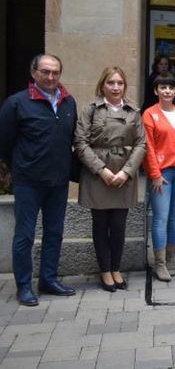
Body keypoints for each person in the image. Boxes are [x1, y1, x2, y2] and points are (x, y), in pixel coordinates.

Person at [0, 54, 78, 306]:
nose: (50, 77)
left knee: (54, 233)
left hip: (58, 180)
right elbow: (5, 143)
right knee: (24, 235)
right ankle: (23, 285)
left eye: (55, 72)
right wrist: (21, 166)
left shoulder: (68, 102)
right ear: (33, 73)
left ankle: (48, 279)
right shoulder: (16, 103)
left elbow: (70, 139)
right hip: (28, 182)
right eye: (45, 71)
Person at [74, 66, 146, 292]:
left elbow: (141, 143)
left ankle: (116, 268)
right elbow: (80, 143)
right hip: (98, 173)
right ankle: (105, 270)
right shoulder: (90, 110)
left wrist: (126, 171)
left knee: (118, 225)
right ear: (102, 85)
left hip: (124, 173)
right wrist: (102, 170)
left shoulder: (133, 111)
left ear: (125, 86)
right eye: (111, 83)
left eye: (120, 83)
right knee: (100, 224)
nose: (115, 87)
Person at [142, 75, 175, 281]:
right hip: (161, 174)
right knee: (160, 218)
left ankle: (171, 259)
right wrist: (154, 174)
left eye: (171, 88)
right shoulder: (149, 114)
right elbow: (148, 148)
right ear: (156, 91)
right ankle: (159, 263)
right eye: (163, 87)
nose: (167, 91)